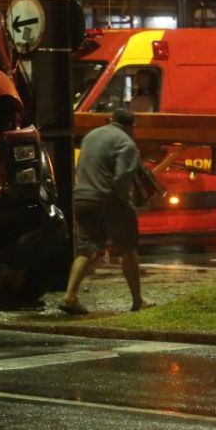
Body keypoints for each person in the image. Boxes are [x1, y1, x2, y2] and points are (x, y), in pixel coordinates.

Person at [60, 108, 150, 315]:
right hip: (108, 200)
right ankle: (137, 300)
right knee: (128, 249)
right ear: (131, 126)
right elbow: (121, 178)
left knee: (87, 250)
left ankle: (70, 296)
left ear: (111, 120)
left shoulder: (91, 136)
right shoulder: (126, 144)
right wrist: (127, 203)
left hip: (82, 198)